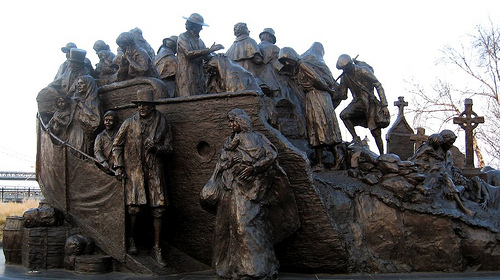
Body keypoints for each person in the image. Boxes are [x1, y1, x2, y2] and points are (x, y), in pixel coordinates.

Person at [201, 108, 299, 280]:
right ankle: (232, 267)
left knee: (247, 226)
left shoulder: (259, 138)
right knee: (231, 228)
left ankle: (257, 269)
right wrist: (229, 162)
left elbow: (272, 156)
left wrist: (254, 167)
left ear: (242, 121)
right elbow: (222, 161)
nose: (231, 125)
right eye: (229, 122)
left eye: (234, 121)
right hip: (231, 189)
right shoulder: (229, 141)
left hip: (253, 191)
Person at [112, 89, 172, 266]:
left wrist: (157, 148)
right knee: (134, 209)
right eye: (139, 104)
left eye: (144, 104)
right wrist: (119, 166)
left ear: (152, 106)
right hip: (135, 171)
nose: (141, 107)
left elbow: (170, 147)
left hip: (154, 170)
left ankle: (157, 248)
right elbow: (117, 145)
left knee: (159, 209)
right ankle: (131, 239)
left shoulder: (162, 122)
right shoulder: (129, 123)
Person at [278, 45, 344, 171]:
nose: (286, 63)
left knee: (323, 126)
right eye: (284, 61)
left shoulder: (302, 64)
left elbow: (316, 79)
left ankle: (335, 157)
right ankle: (321, 162)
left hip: (319, 96)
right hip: (311, 97)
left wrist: (329, 90)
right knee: (314, 128)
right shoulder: (297, 69)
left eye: (287, 59)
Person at [410, 130, 474, 215]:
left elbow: (450, 168)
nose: (451, 145)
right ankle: (462, 207)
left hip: (442, 177)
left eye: (452, 143)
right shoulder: (428, 149)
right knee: (446, 181)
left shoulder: (448, 153)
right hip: (428, 177)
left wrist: (458, 175)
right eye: (450, 142)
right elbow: (416, 163)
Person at [336, 54, 389, 155]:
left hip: (370, 103)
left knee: (375, 132)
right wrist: (330, 90)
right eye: (343, 69)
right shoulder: (345, 77)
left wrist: (384, 105)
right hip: (357, 103)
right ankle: (356, 138)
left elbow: (378, 85)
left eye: (345, 68)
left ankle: (382, 155)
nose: (344, 71)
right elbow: (343, 95)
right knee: (344, 115)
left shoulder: (363, 70)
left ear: (350, 65)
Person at [176, 13, 224, 96]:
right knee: (188, 95)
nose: (201, 28)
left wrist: (217, 55)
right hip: (187, 73)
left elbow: (206, 56)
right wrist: (209, 50)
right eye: (199, 26)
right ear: (193, 26)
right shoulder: (183, 37)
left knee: (199, 95)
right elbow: (188, 53)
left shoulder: (200, 41)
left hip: (199, 74)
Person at [66, 75, 101, 158]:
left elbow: (96, 121)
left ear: (88, 85)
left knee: (79, 156)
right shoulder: (74, 101)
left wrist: (82, 106)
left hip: (83, 135)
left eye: (81, 83)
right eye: (78, 84)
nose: (79, 86)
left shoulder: (94, 102)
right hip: (72, 134)